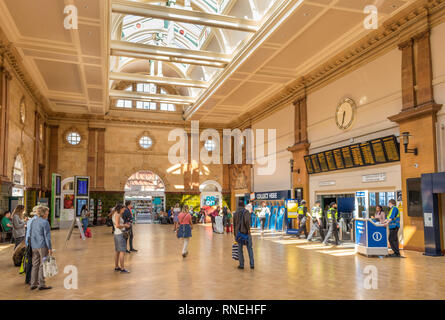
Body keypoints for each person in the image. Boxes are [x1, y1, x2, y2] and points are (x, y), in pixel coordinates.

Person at [29, 206, 52, 290]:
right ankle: (42, 284)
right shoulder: (45, 222)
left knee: (35, 264)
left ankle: (33, 283)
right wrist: (50, 248)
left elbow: (31, 234)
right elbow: (47, 237)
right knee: (43, 264)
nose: (48, 213)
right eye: (47, 212)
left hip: (34, 246)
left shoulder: (33, 221)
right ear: (44, 213)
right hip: (42, 246)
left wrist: (32, 245)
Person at [233, 203, 254, 270]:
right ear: (244, 206)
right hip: (246, 233)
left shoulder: (235, 213)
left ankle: (241, 265)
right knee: (249, 249)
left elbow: (234, 225)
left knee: (240, 249)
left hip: (239, 234)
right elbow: (247, 221)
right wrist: (248, 229)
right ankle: (252, 264)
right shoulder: (246, 212)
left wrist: (235, 234)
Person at [113, 204, 131, 273]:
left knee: (117, 251)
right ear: (120, 209)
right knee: (122, 252)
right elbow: (117, 225)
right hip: (120, 234)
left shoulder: (114, 214)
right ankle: (122, 268)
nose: (123, 211)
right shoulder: (117, 215)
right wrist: (125, 225)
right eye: (123, 209)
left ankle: (116, 266)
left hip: (116, 234)